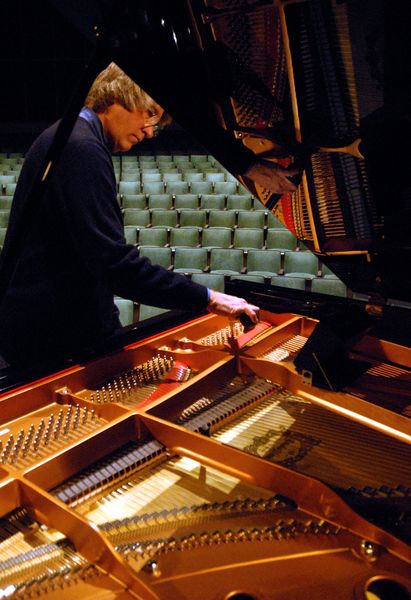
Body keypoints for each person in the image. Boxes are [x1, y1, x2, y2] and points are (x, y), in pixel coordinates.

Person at [0, 63, 266, 371]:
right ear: (119, 97)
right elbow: (114, 264)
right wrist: (209, 298)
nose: (151, 131)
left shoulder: (71, 136)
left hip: (52, 326)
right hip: (52, 338)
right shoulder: (80, 148)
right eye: (150, 113)